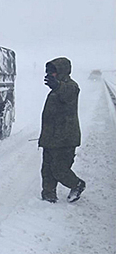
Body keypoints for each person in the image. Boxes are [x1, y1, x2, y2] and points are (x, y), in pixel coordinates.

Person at [39, 57, 86, 203]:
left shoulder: (71, 86)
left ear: (62, 72)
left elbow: (68, 93)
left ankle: (77, 185)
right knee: (47, 169)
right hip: (51, 137)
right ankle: (48, 195)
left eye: (53, 72)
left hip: (65, 138)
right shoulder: (55, 90)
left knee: (59, 169)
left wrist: (58, 86)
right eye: (48, 73)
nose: (50, 75)